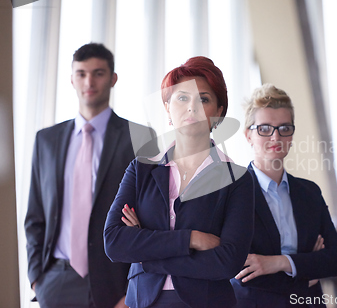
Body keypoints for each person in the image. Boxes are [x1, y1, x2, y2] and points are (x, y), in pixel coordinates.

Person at [104, 56, 255, 308]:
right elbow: (114, 242)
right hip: (143, 302)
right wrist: (191, 239)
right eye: (182, 97)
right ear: (167, 107)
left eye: (203, 99)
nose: (191, 107)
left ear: (218, 113)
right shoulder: (140, 170)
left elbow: (228, 261)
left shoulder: (236, 179)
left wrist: (145, 252)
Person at [24, 43, 158, 308]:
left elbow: (153, 218)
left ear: (113, 78)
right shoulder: (46, 141)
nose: (89, 81)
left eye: (98, 73)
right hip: (56, 280)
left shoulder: (140, 138)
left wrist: (136, 283)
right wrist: (37, 278)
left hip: (117, 281)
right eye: (81, 73)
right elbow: (35, 215)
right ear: (72, 79)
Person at [231, 84, 337, 308]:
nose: (276, 137)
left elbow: (336, 260)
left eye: (284, 128)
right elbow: (241, 273)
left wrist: (276, 263)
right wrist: (306, 270)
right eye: (264, 128)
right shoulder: (232, 194)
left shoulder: (309, 192)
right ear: (248, 135)